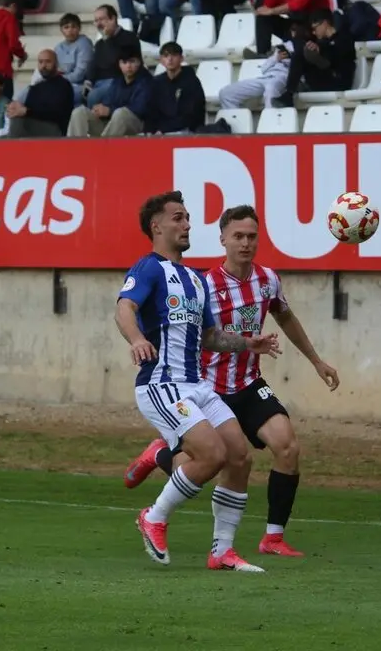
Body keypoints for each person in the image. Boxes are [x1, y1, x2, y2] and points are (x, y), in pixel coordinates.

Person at [124, 204, 339, 559]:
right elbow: (188, 330)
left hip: (248, 383)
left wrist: (315, 361)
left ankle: (270, 538)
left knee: (285, 446)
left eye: (252, 237)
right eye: (238, 236)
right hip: (208, 383)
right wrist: (137, 339)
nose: (246, 243)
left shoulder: (267, 279)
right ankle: (161, 460)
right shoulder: (202, 281)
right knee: (209, 461)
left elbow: (285, 318)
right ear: (222, 239)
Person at [116, 191, 280, 571]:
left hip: (197, 385)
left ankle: (222, 551)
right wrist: (138, 338)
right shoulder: (149, 269)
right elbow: (124, 308)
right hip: (161, 384)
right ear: (157, 227)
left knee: (239, 457)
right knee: (212, 455)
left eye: (188, 217)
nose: (187, 224)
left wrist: (246, 343)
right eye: (178, 218)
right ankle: (154, 517)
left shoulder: (193, 279)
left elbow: (209, 336)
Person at [6, 48, 74, 138]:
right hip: (34, 127)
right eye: (40, 62)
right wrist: (17, 107)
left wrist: (26, 111)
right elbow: (27, 109)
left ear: (56, 64)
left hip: (55, 130)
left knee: (18, 117)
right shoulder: (35, 87)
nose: (43, 65)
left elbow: (56, 113)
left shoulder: (63, 85)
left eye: (48, 62)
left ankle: (11, 149)